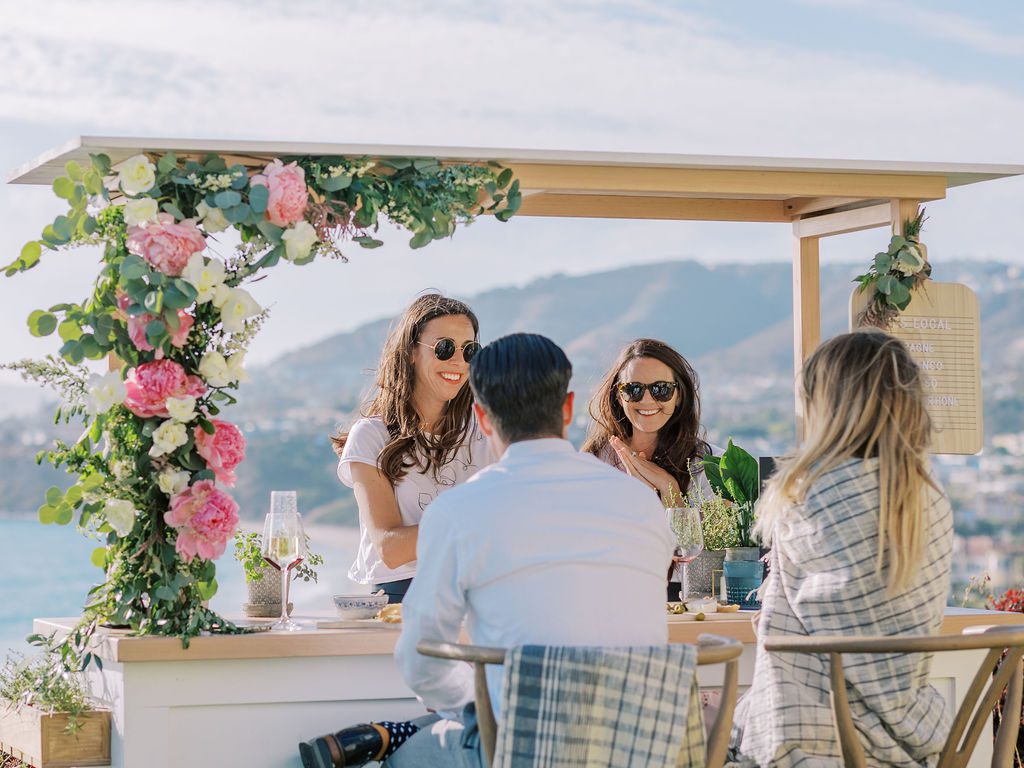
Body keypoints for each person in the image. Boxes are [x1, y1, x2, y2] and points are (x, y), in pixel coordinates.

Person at [301, 333, 674, 768]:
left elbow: (422, 659)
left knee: (402, 761)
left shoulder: (460, 511)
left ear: (483, 415)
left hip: (522, 751)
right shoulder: (641, 503)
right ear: (568, 408)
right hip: (639, 748)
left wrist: (477, 709)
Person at [729, 330, 955, 767]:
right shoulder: (929, 498)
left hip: (812, 743)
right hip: (916, 744)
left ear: (827, 406)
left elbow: (780, 634)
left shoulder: (806, 494)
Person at [330, 294, 492, 605]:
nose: (459, 361)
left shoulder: (488, 429)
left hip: (481, 595)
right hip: (402, 601)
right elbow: (390, 549)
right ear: (412, 352)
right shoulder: (371, 437)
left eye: (470, 351)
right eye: (445, 348)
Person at [582, 338, 717, 599]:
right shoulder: (593, 464)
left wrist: (670, 490)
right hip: (608, 600)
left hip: (682, 602)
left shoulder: (708, 466)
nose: (646, 400)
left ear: (679, 396)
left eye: (661, 389)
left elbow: (697, 563)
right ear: (618, 396)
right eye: (633, 389)